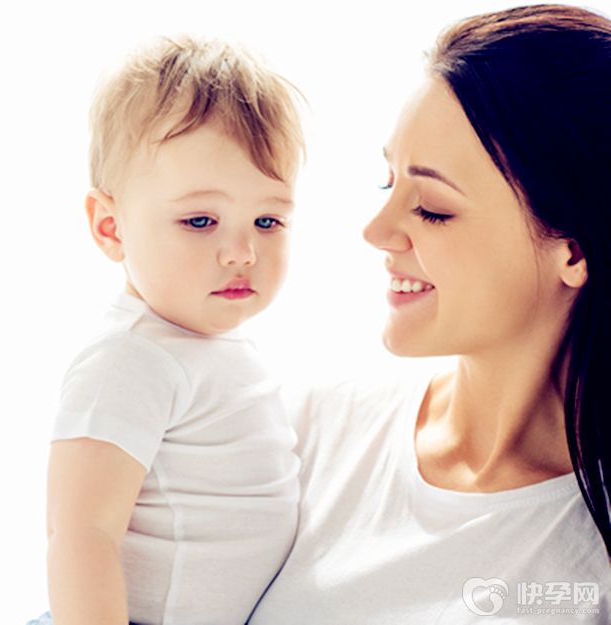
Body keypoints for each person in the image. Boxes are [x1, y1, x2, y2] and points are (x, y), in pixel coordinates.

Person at [248, 5, 611, 623]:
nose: (375, 230)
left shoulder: (591, 565)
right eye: (387, 182)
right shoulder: (306, 429)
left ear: (573, 252)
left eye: (433, 208)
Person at [37, 37, 305, 625]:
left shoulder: (214, 344)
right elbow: (80, 533)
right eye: (201, 220)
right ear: (111, 228)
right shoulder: (129, 358)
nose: (242, 252)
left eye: (268, 220)